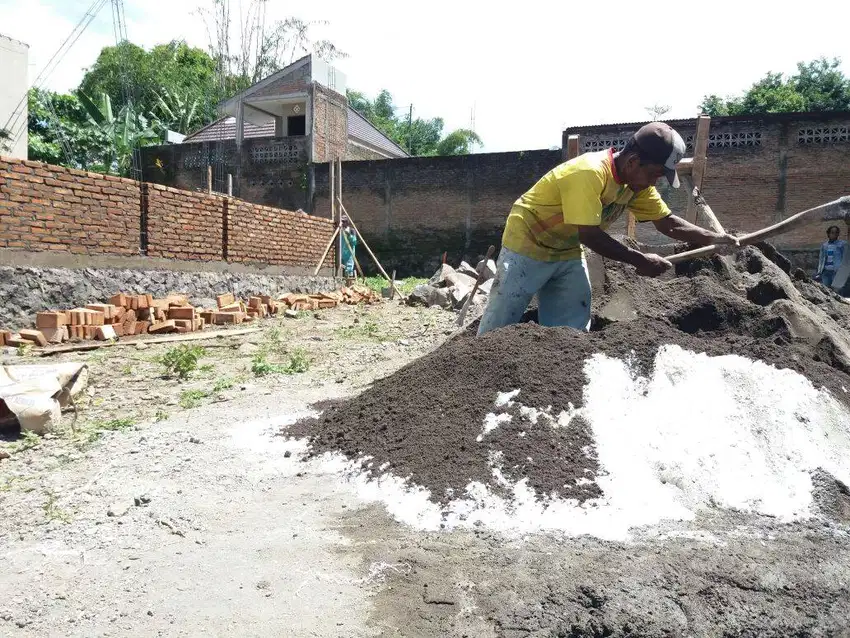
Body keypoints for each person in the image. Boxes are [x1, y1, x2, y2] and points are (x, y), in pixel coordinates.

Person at [477, 122, 739, 335]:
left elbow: (667, 222)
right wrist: (640, 260)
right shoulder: (588, 173)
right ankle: (480, 367)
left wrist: (714, 238)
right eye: (655, 174)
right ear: (633, 162)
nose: (654, 182)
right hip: (528, 243)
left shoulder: (636, 186)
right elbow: (589, 234)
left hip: (566, 249)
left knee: (571, 326)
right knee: (500, 322)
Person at [816, 225, 847, 289]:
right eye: (832, 233)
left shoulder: (842, 244)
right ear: (828, 234)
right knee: (826, 291)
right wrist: (819, 271)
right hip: (826, 272)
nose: (834, 234)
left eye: (836, 232)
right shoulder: (824, 245)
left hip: (836, 272)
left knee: (836, 292)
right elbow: (821, 259)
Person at [340, 215, 358, 279]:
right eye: (342, 221)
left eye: (344, 221)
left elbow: (354, 242)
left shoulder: (351, 230)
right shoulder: (339, 231)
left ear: (347, 222)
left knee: (349, 269)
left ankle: (349, 283)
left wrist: (349, 235)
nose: (342, 223)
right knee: (341, 269)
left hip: (349, 253)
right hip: (340, 253)